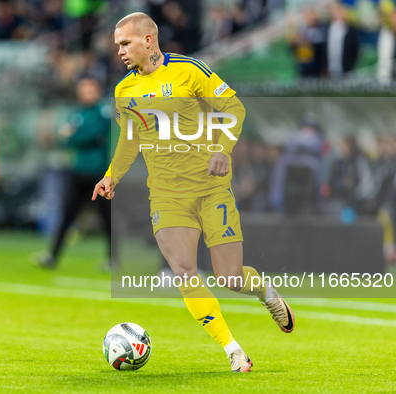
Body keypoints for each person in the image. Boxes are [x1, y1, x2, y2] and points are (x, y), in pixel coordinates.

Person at [92, 12, 295, 373]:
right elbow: (130, 138)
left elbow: (234, 107)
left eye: (125, 43)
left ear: (148, 40)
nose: (120, 51)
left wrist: (222, 148)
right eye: (117, 46)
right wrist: (111, 176)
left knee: (230, 278)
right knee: (185, 271)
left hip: (210, 190)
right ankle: (233, 350)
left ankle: (266, 293)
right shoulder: (125, 90)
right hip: (166, 196)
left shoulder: (189, 70)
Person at [38, 77, 113, 269]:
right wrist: (76, 136)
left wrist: (75, 134)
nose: (86, 93)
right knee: (66, 214)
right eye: (83, 89)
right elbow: (66, 140)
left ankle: (113, 258)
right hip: (77, 171)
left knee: (108, 216)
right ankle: (53, 255)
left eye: (90, 89)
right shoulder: (77, 113)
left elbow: (91, 135)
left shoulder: (102, 112)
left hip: (99, 172)